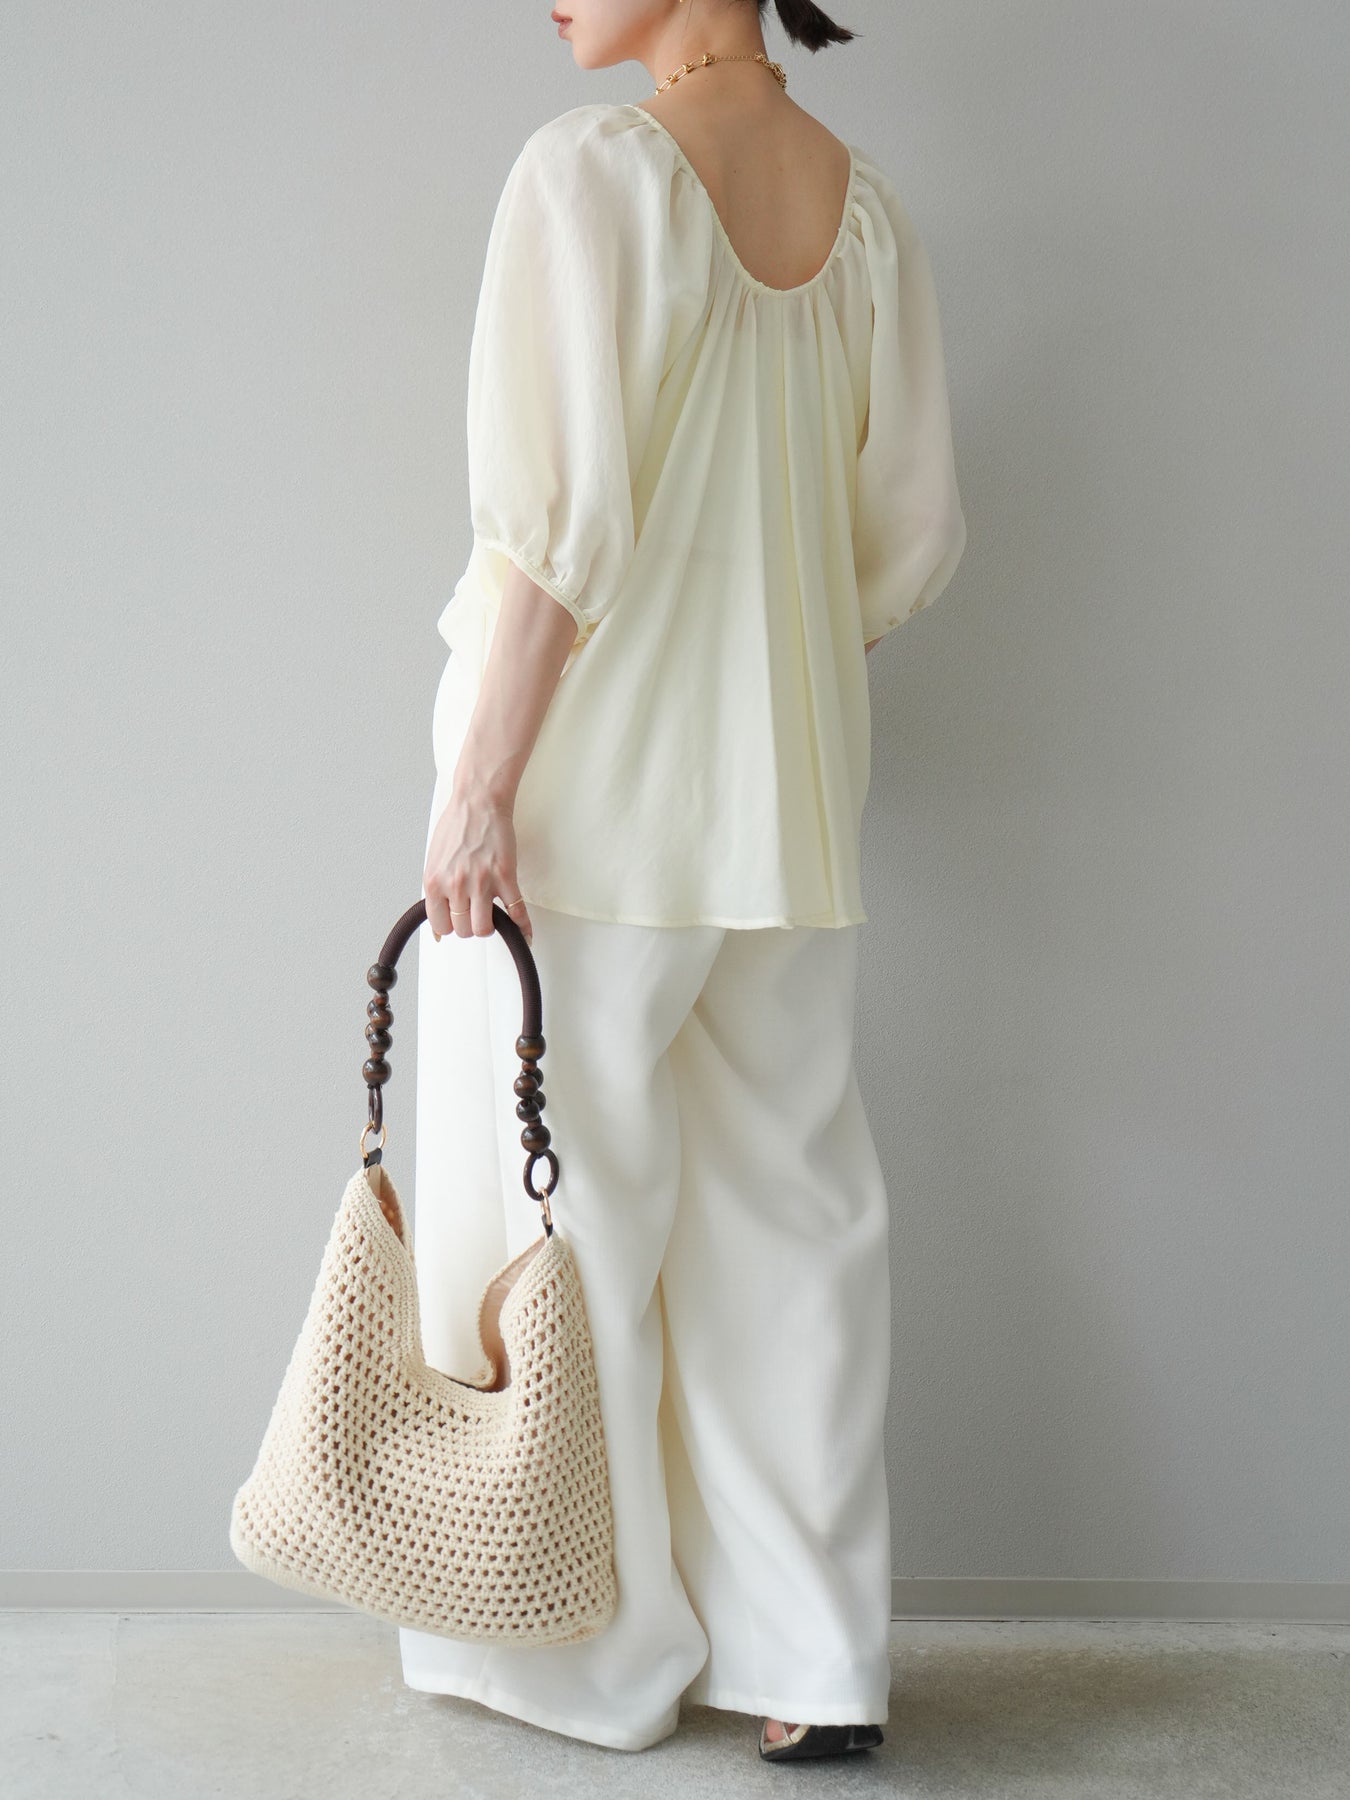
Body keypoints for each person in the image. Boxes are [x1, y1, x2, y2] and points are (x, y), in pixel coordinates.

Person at [399, 0, 967, 1766]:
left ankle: (580, 1657)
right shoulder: (863, 211)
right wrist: (755, 676)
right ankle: (815, 1667)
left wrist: (479, 790)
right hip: (785, 798)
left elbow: (552, 536)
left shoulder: (591, 173)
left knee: (548, 1219)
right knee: (789, 1229)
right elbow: (903, 540)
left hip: (585, 804)